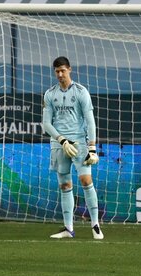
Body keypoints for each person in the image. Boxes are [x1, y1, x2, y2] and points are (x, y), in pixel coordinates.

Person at [42, 56, 104, 240]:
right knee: (65, 185)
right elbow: (46, 123)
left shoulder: (81, 92)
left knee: (86, 180)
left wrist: (92, 148)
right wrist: (61, 140)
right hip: (59, 144)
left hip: (79, 143)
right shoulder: (50, 94)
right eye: (57, 71)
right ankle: (68, 228)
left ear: (70, 69)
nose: (60, 74)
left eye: (63, 70)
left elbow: (90, 121)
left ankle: (95, 225)